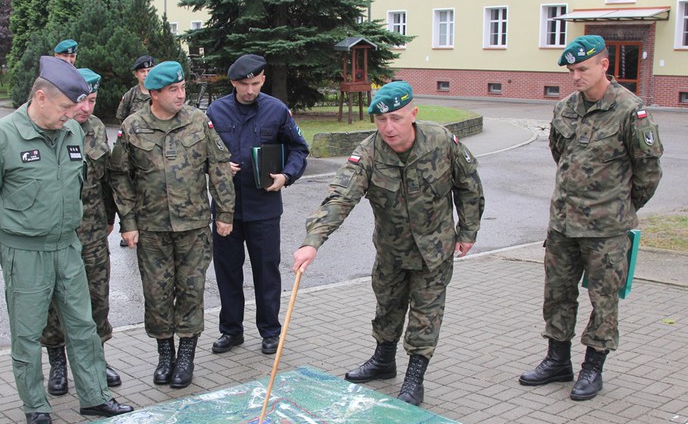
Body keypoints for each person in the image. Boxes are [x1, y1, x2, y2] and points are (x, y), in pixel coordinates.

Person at [0, 56, 133, 424]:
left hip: (67, 246)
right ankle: (35, 405)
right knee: (27, 333)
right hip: (24, 251)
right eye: (64, 108)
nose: (70, 116)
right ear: (40, 97)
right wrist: (17, 229)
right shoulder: (0, 138)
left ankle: (94, 396)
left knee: (82, 325)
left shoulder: (73, 133)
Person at [292, 81, 484, 406]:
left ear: (413, 114)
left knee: (426, 315)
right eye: (380, 120)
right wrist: (313, 241)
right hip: (391, 251)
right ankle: (383, 360)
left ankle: (414, 377)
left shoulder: (441, 141)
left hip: (434, 250)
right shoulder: (368, 152)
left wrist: (468, 231)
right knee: (387, 307)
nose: (388, 128)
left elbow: (469, 187)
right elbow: (341, 196)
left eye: (395, 118)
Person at [519, 35, 663, 401]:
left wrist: (620, 208)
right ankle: (557, 361)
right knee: (557, 293)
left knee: (604, 299)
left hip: (607, 229)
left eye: (582, 69)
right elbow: (561, 154)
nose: (576, 77)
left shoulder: (631, 110)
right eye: (571, 70)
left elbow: (648, 172)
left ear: (604, 66)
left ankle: (593, 368)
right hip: (563, 223)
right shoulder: (565, 107)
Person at [108, 61, 235, 389]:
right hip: (152, 228)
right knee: (157, 292)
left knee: (191, 290)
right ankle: (165, 354)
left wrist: (224, 214)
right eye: (173, 90)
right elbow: (120, 175)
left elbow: (219, 166)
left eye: (182, 88)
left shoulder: (198, 121)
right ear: (154, 94)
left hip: (193, 226)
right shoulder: (133, 127)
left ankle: (187, 355)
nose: (181, 95)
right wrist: (129, 221)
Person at [206, 54, 309, 355]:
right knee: (227, 271)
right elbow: (202, 154)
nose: (249, 90)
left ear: (263, 79)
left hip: (264, 206)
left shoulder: (277, 111)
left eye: (255, 83)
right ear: (233, 82)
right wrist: (218, 167)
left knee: (266, 271)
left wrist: (287, 176)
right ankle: (231, 330)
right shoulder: (216, 110)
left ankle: (270, 332)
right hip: (227, 208)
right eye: (243, 84)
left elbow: (299, 149)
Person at [40, 68, 122, 396]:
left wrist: (111, 217)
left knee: (97, 298)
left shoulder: (97, 128)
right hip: (56, 233)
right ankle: (58, 364)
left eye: (92, 100)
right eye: (81, 100)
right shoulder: (51, 128)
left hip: (92, 233)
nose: (86, 108)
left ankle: (97, 358)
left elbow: (108, 179)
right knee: (53, 301)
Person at [115, 55, 155, 247]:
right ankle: (129, 228)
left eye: (149, 71)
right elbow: (122, 119)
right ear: (136, 74)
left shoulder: (159, 92)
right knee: (130, 189)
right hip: (134, 148)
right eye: (143, 72)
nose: (146, 75)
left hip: (153, 149)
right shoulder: (131, 95)